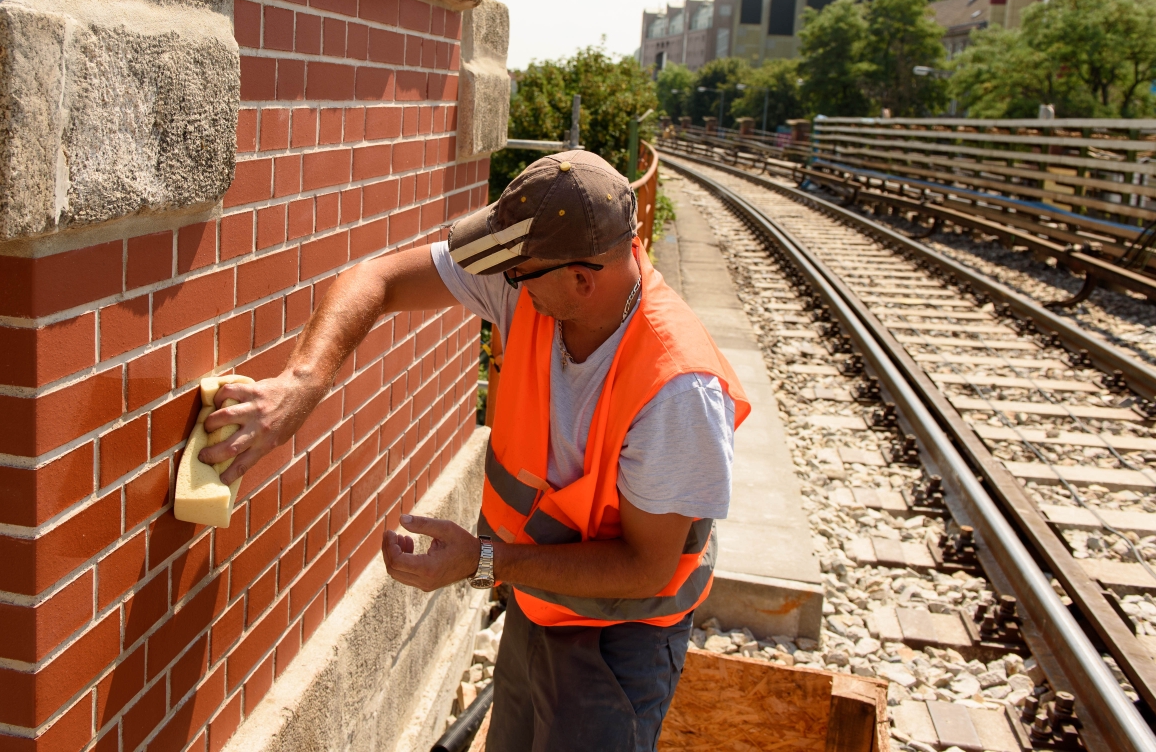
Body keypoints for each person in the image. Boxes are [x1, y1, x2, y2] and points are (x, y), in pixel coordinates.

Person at [199, 150, 749, 752]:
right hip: (540, 604)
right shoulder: (534, 283)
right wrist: (301, 385)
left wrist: (485, 562)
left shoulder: (676, 392)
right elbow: (376, 279)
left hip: (620, 641)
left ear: (582, 279)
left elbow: (646, 567)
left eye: (517, 270)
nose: (499, 279)